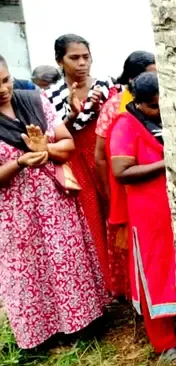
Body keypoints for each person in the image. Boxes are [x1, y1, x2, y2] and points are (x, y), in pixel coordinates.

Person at [0, 54, 109, 349]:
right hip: (14, 213)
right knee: (26, 270)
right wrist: (21, 161)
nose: (3, 89)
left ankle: (82, 324)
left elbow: (67, 143)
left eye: (5, 80)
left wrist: (45, 149)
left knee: (66, 259)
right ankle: (41, 336)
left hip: (54, 202)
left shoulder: (34, 100)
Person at [108, 72, 176, 360]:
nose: (159, 110)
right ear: (136, 102)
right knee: (155, 271)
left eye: (163, 103)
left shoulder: (174, 116)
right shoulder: (126, 125)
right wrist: (168, 162)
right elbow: (121, 171)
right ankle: (164, 343)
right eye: (152, 105)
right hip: (149, 215)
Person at [45, 34, 118, 297]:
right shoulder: (51, 95)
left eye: (85, 57)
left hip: (105, 153)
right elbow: (52, 135)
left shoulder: (106, 84)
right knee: (90, 218)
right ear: (59, 61)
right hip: (75, 157)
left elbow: (119, 119)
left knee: (115, 211)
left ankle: (124, 282)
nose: (81, 63)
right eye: (73, 58)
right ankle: (105, 286)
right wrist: (73, 115)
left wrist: (102, 110)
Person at [94, 51, 157, 298]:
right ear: (132, 78)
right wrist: (109, 194)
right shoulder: (115, 108)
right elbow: (101, 156)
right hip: (129, 178)